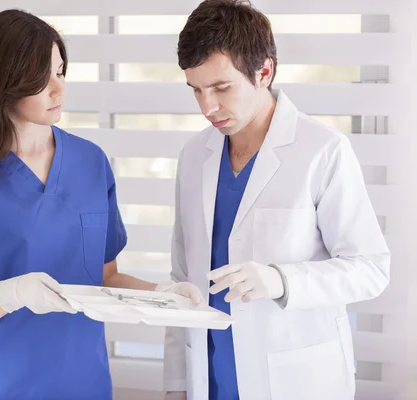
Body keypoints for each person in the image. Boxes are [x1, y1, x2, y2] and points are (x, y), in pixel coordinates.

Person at [0, 9, 203, 400]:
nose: (59, 89)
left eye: (60, 72)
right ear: (2, 83)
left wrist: (162, 293)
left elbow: (103, 279)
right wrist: (12, 295)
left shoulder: (90, 163)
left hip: (83, 383)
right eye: (42, 79)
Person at [162, 1, 391, 400]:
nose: (207, 107)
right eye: (196, 90)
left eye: (221, 87)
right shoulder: (195, 155)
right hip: (210, 379)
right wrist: (176, 388)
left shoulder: (323, 150)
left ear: (263, 71)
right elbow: (182, 279)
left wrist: (282, 280)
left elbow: (369, 268)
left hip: (293, 380)